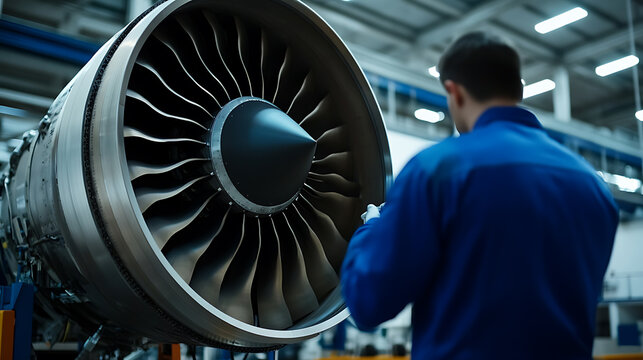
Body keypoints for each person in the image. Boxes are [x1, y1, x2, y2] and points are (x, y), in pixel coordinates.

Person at [340, 31, 619, 359]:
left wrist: (371, 230)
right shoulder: (593, 186)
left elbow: (369, 304)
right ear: (518, 89)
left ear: (453, 92)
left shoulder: (437, 171)